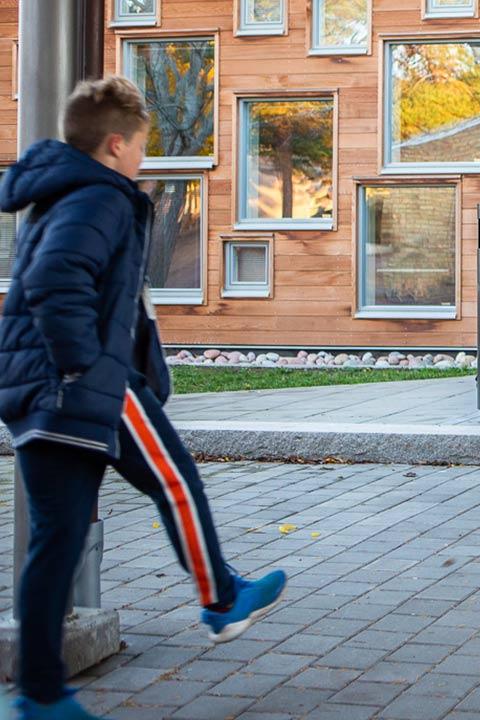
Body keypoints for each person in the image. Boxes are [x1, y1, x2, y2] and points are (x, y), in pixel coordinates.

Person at [0, 78, 288, 720]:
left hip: (37, 393)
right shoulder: (100, 196)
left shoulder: (58, 194)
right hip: (84, 386)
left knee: (56, 541)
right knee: (176, 481)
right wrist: (90, 368)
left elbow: (86, 291)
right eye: (138, 147)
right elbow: (55, 282)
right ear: (113, 144)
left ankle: (42, 698)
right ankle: (220, 602)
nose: (141, 159)